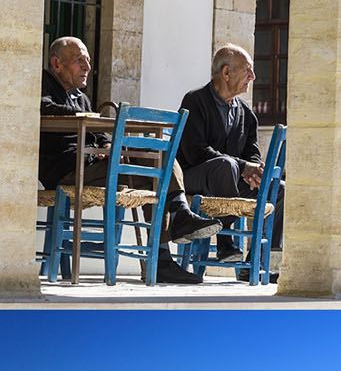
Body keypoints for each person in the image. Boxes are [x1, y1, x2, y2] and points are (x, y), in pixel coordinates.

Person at [39, 35, 219, 287]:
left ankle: (163, 253)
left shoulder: (79, 97)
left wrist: (106, 145)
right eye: (79, 61)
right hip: (65, 171)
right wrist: (90, 119)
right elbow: (42, 107)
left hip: (91, 168)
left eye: (88, 61)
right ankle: (174, 229)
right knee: (154, 165)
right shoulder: (42, 86)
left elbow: (100, 135)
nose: (87, 68)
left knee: (158, 161)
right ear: (56, 64)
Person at [178, 44, 284, 276]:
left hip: (230, 181)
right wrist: (243, 166)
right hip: (196, 177)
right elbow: (195, 152)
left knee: (278, 189)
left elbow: (252, 153)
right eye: (247, 70)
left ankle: (257, 262)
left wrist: (255, 172)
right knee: (225, 166)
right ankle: (226, 243)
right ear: (226, 73)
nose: (253, 77)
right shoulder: (195, 100)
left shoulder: (246, 112)